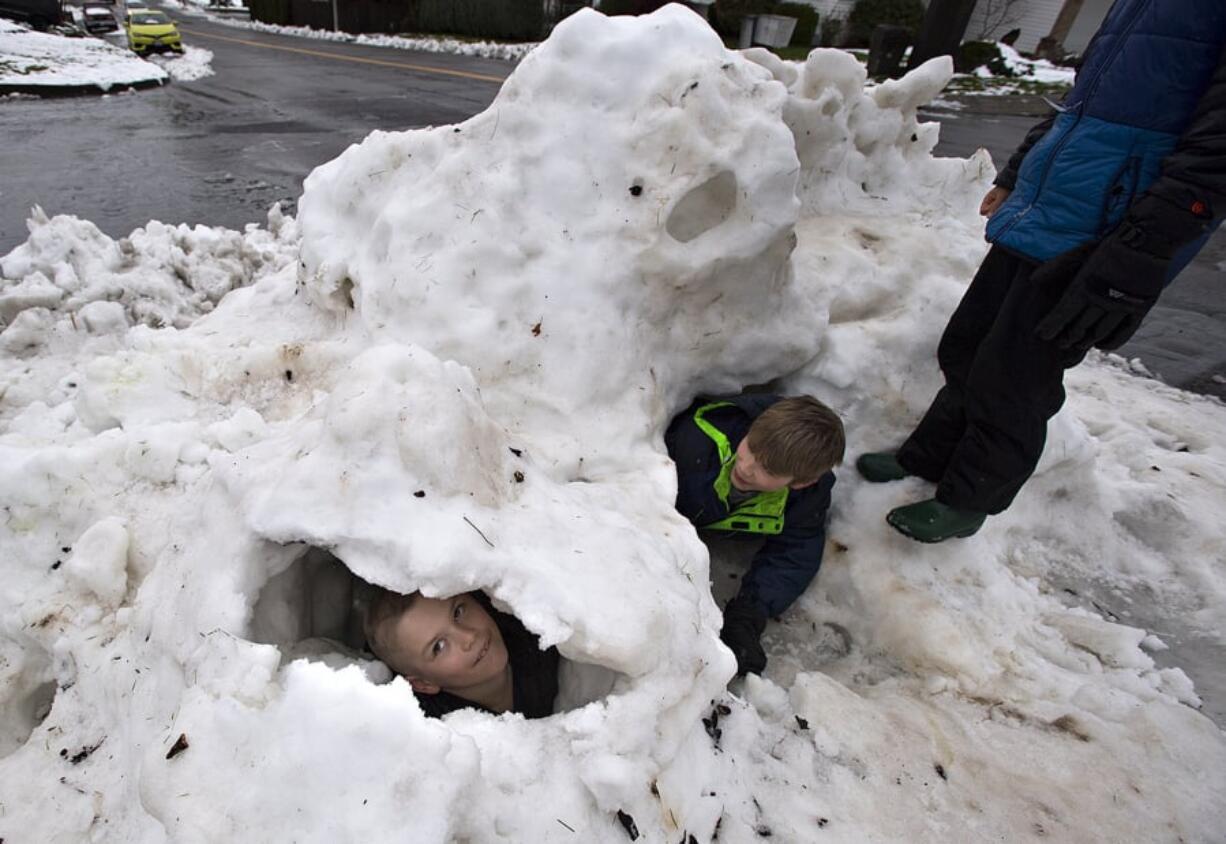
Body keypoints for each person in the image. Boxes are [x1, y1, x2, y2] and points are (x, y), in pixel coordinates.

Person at [858, 0, 1226, 543]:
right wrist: (1018, 169)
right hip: (1047, 207)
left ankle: (970, 496)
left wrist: (1138, 252)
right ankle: (928, 456)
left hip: (1106, 233)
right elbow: (1077, 104)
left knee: (1016, 374)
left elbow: (1215, 154)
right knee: (968, 344)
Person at [665, 394, 845, 676]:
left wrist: (749, 615)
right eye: (750, 446)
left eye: (767, 469)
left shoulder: (807, 497)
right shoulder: (696, 442)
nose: (746, 466)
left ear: (800, 483)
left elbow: (796, 551)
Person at [364, 589, 559, 719]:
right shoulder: (447, 736)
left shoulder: (535, 628)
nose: (469, 636)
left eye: (458, 612)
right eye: (438, 646)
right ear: (424, 684)